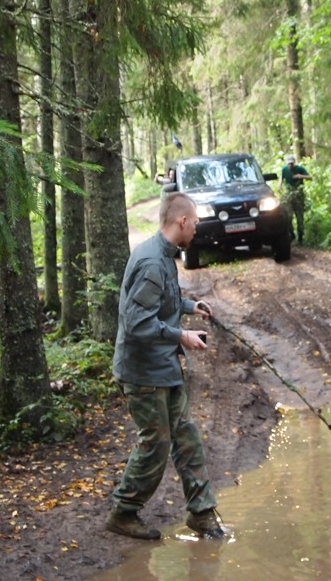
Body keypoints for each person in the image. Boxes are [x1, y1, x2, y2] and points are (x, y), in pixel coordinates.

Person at [107, 192, 226, 541]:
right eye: (196, 222)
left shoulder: (164, 256)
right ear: (182, 222)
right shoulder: (151, 262)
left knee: (186, 438)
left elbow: (162, 301)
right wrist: (182, 337)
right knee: (155, 445)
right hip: (142, 373)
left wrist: (191, 306)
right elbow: (137, 324)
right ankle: (123, 512)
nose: (197, 229)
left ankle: (201, 514)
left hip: (163, 369)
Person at [280, 154, 312, 244]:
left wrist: (300, 176)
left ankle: (300, 237)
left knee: (299, 217)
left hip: (298, 195)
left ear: (294, 163)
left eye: (292, 164)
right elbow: (282, 178)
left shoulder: (300, 169)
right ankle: (291, 234)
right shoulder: (284, 169)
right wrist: (280, 185)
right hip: (288, 195)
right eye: (289, 164)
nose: (290, 165)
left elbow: (310, 177)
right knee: (288, 216)